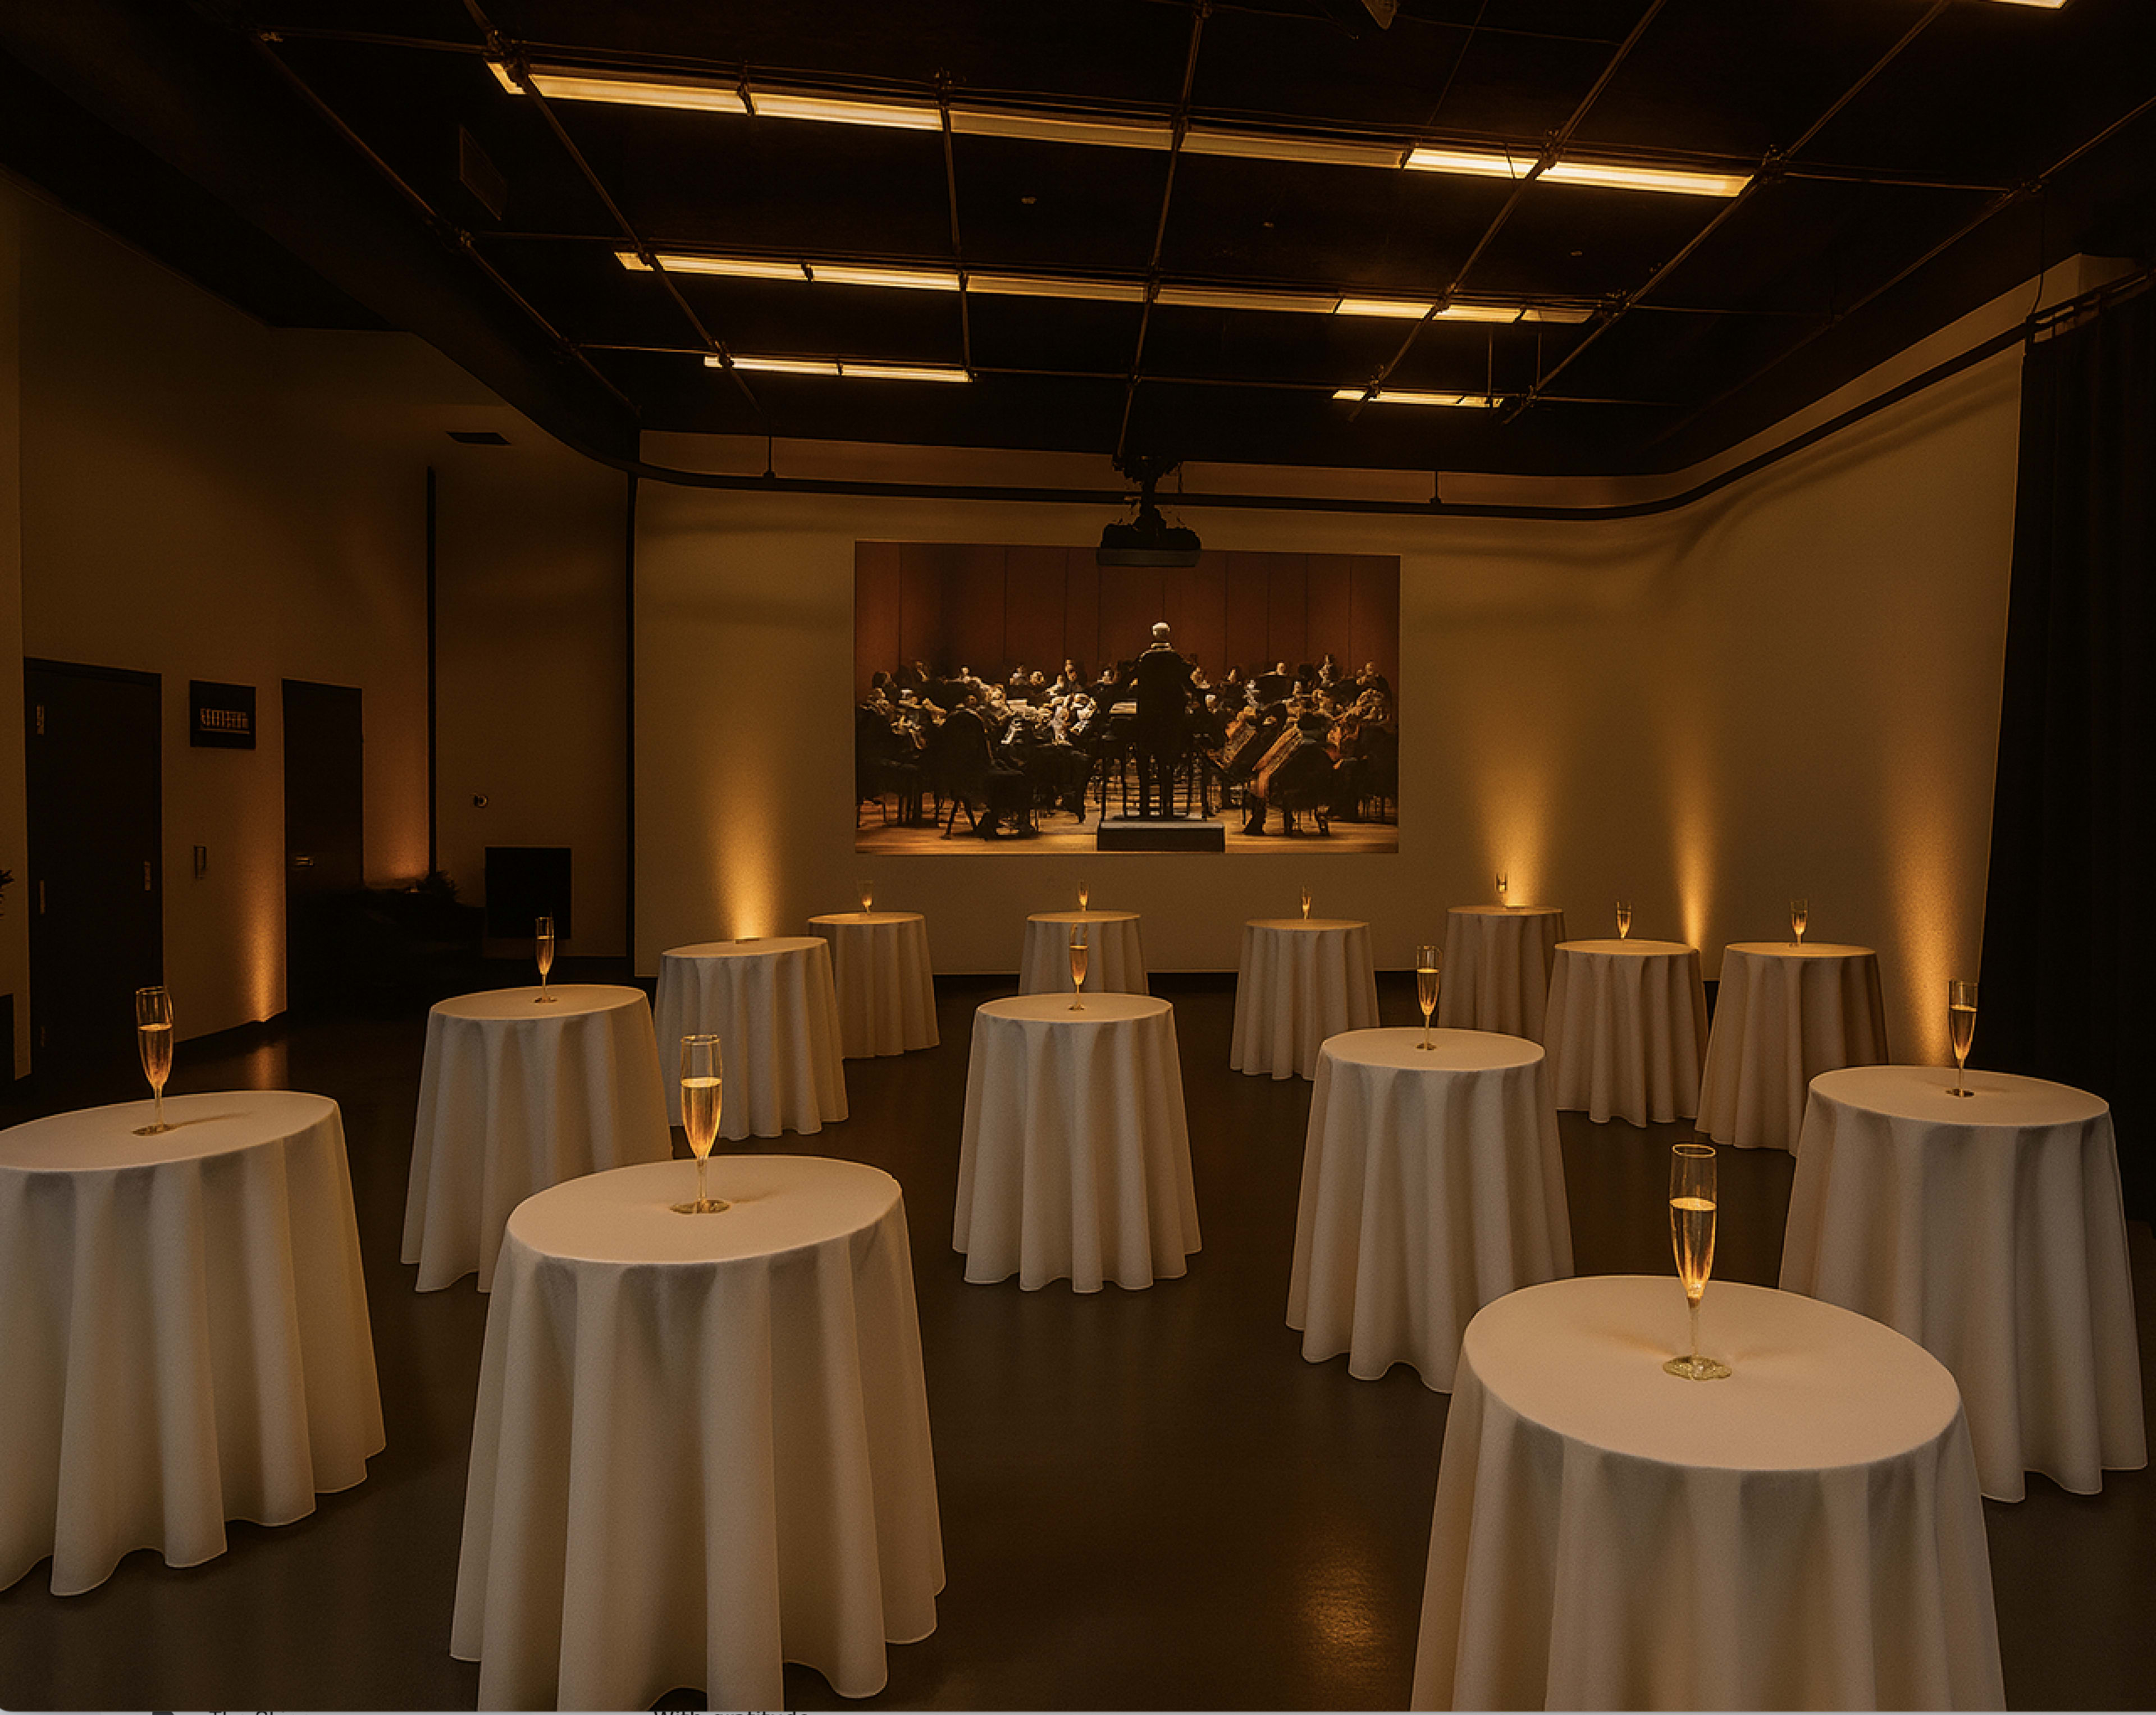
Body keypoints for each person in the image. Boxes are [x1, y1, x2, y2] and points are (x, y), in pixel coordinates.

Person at [1130, 621, 1193, 819]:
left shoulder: (1144, 659)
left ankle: (1145, 805)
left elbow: (1130, 680)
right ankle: (1168, 805)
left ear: (1154, 635)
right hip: (1171, 720)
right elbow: (1188, 683)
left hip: (1148, 718)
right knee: (1168, 762)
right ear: (1168, 635)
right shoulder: (1175, 659)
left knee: (1144, 761)